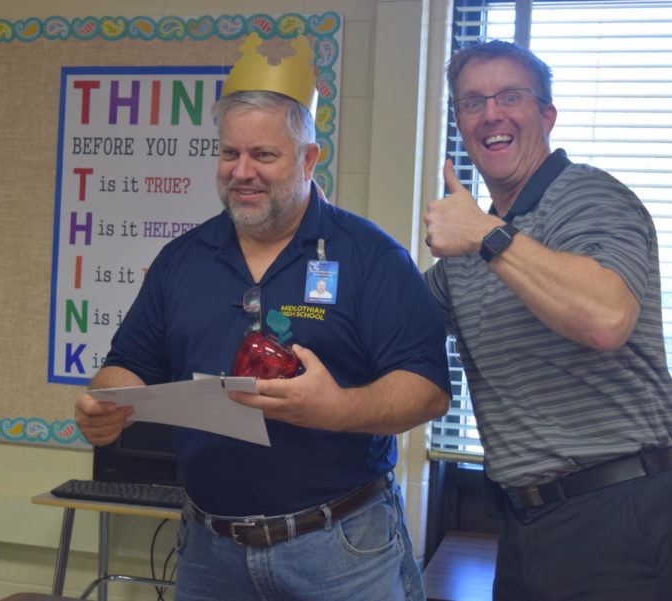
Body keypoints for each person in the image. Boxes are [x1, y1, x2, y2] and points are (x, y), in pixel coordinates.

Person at [75, 33, 450, 601]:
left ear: (308, 158)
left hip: (341, 547)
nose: (241, 172)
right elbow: (129, 363)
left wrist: (337, 409)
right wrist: (105, 401)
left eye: (264, 156)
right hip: (210, 550)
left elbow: (426, 389)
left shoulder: (373, 257)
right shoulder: (182, 260)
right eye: (230, 154)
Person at [424, 40, 672, 600]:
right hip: (525, 526)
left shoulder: (590, 197)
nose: (490, 113)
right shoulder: (471, 248)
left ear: (547, 114)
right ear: (461, 126)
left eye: (509, 96)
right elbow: (387, 327)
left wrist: (487, 236)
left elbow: (606, 318)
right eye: (471, 103)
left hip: (623, 514)